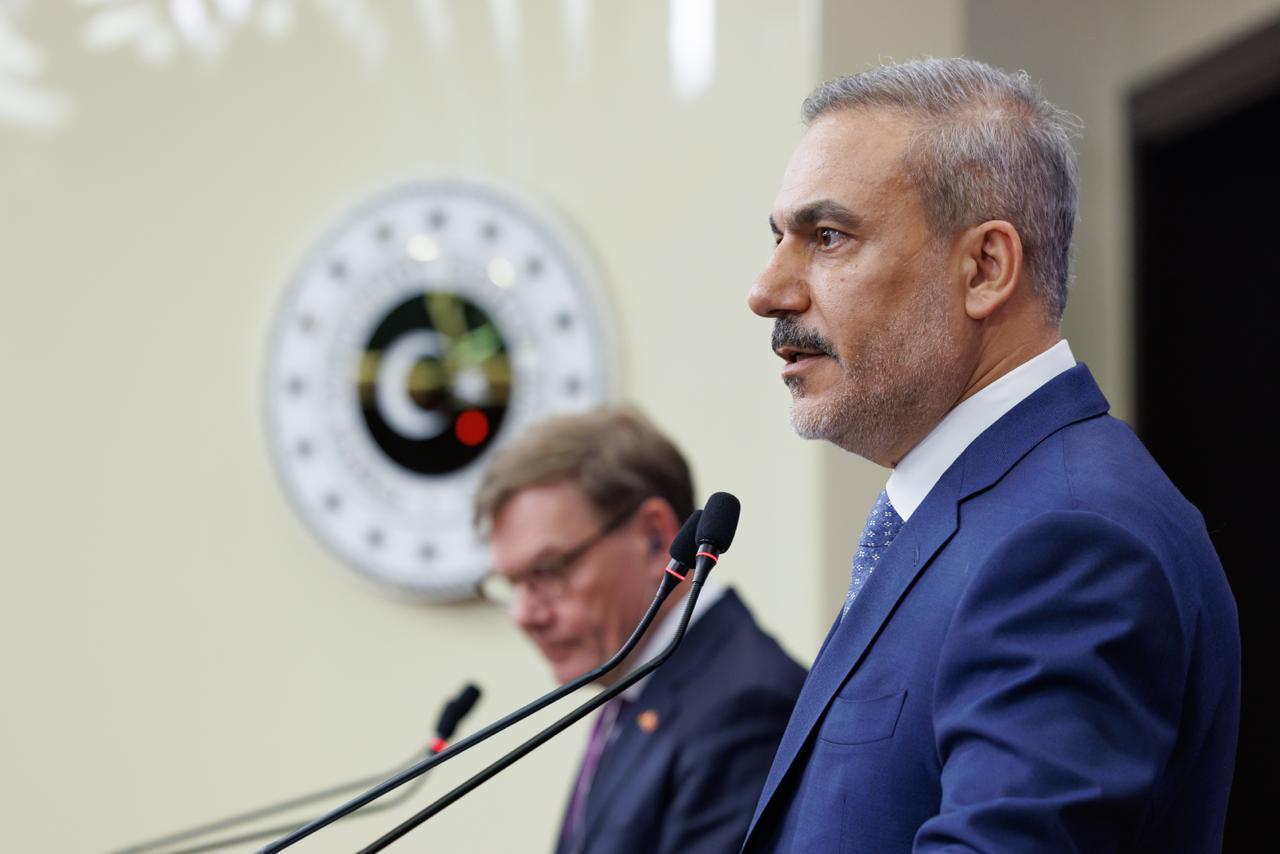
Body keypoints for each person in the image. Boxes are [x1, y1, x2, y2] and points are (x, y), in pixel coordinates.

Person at [740, 58, 1240, 853]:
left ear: (985, 268)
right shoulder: (968, 515)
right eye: (778, 239)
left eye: (826, 238)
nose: (767, 290)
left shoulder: (1071, 540)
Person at [475, 407, 805, 854]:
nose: (525, 614)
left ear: (655, 538)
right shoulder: (638, 690)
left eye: (548, 571)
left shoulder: (744, 702)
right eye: (512, 583)